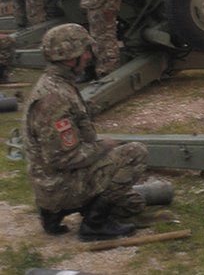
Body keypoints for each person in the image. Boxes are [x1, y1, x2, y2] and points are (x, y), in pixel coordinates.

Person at [23, 23, 148, 241]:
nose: (89, 56)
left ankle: (54, 213)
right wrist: (104, 147)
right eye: (85, 52)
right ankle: (94, 225)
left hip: (54, 185)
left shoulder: (57, 84)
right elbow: (64, 157)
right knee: (135, 153)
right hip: (61, 185)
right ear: (71, 59)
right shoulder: (54, 98)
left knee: (132, 205)